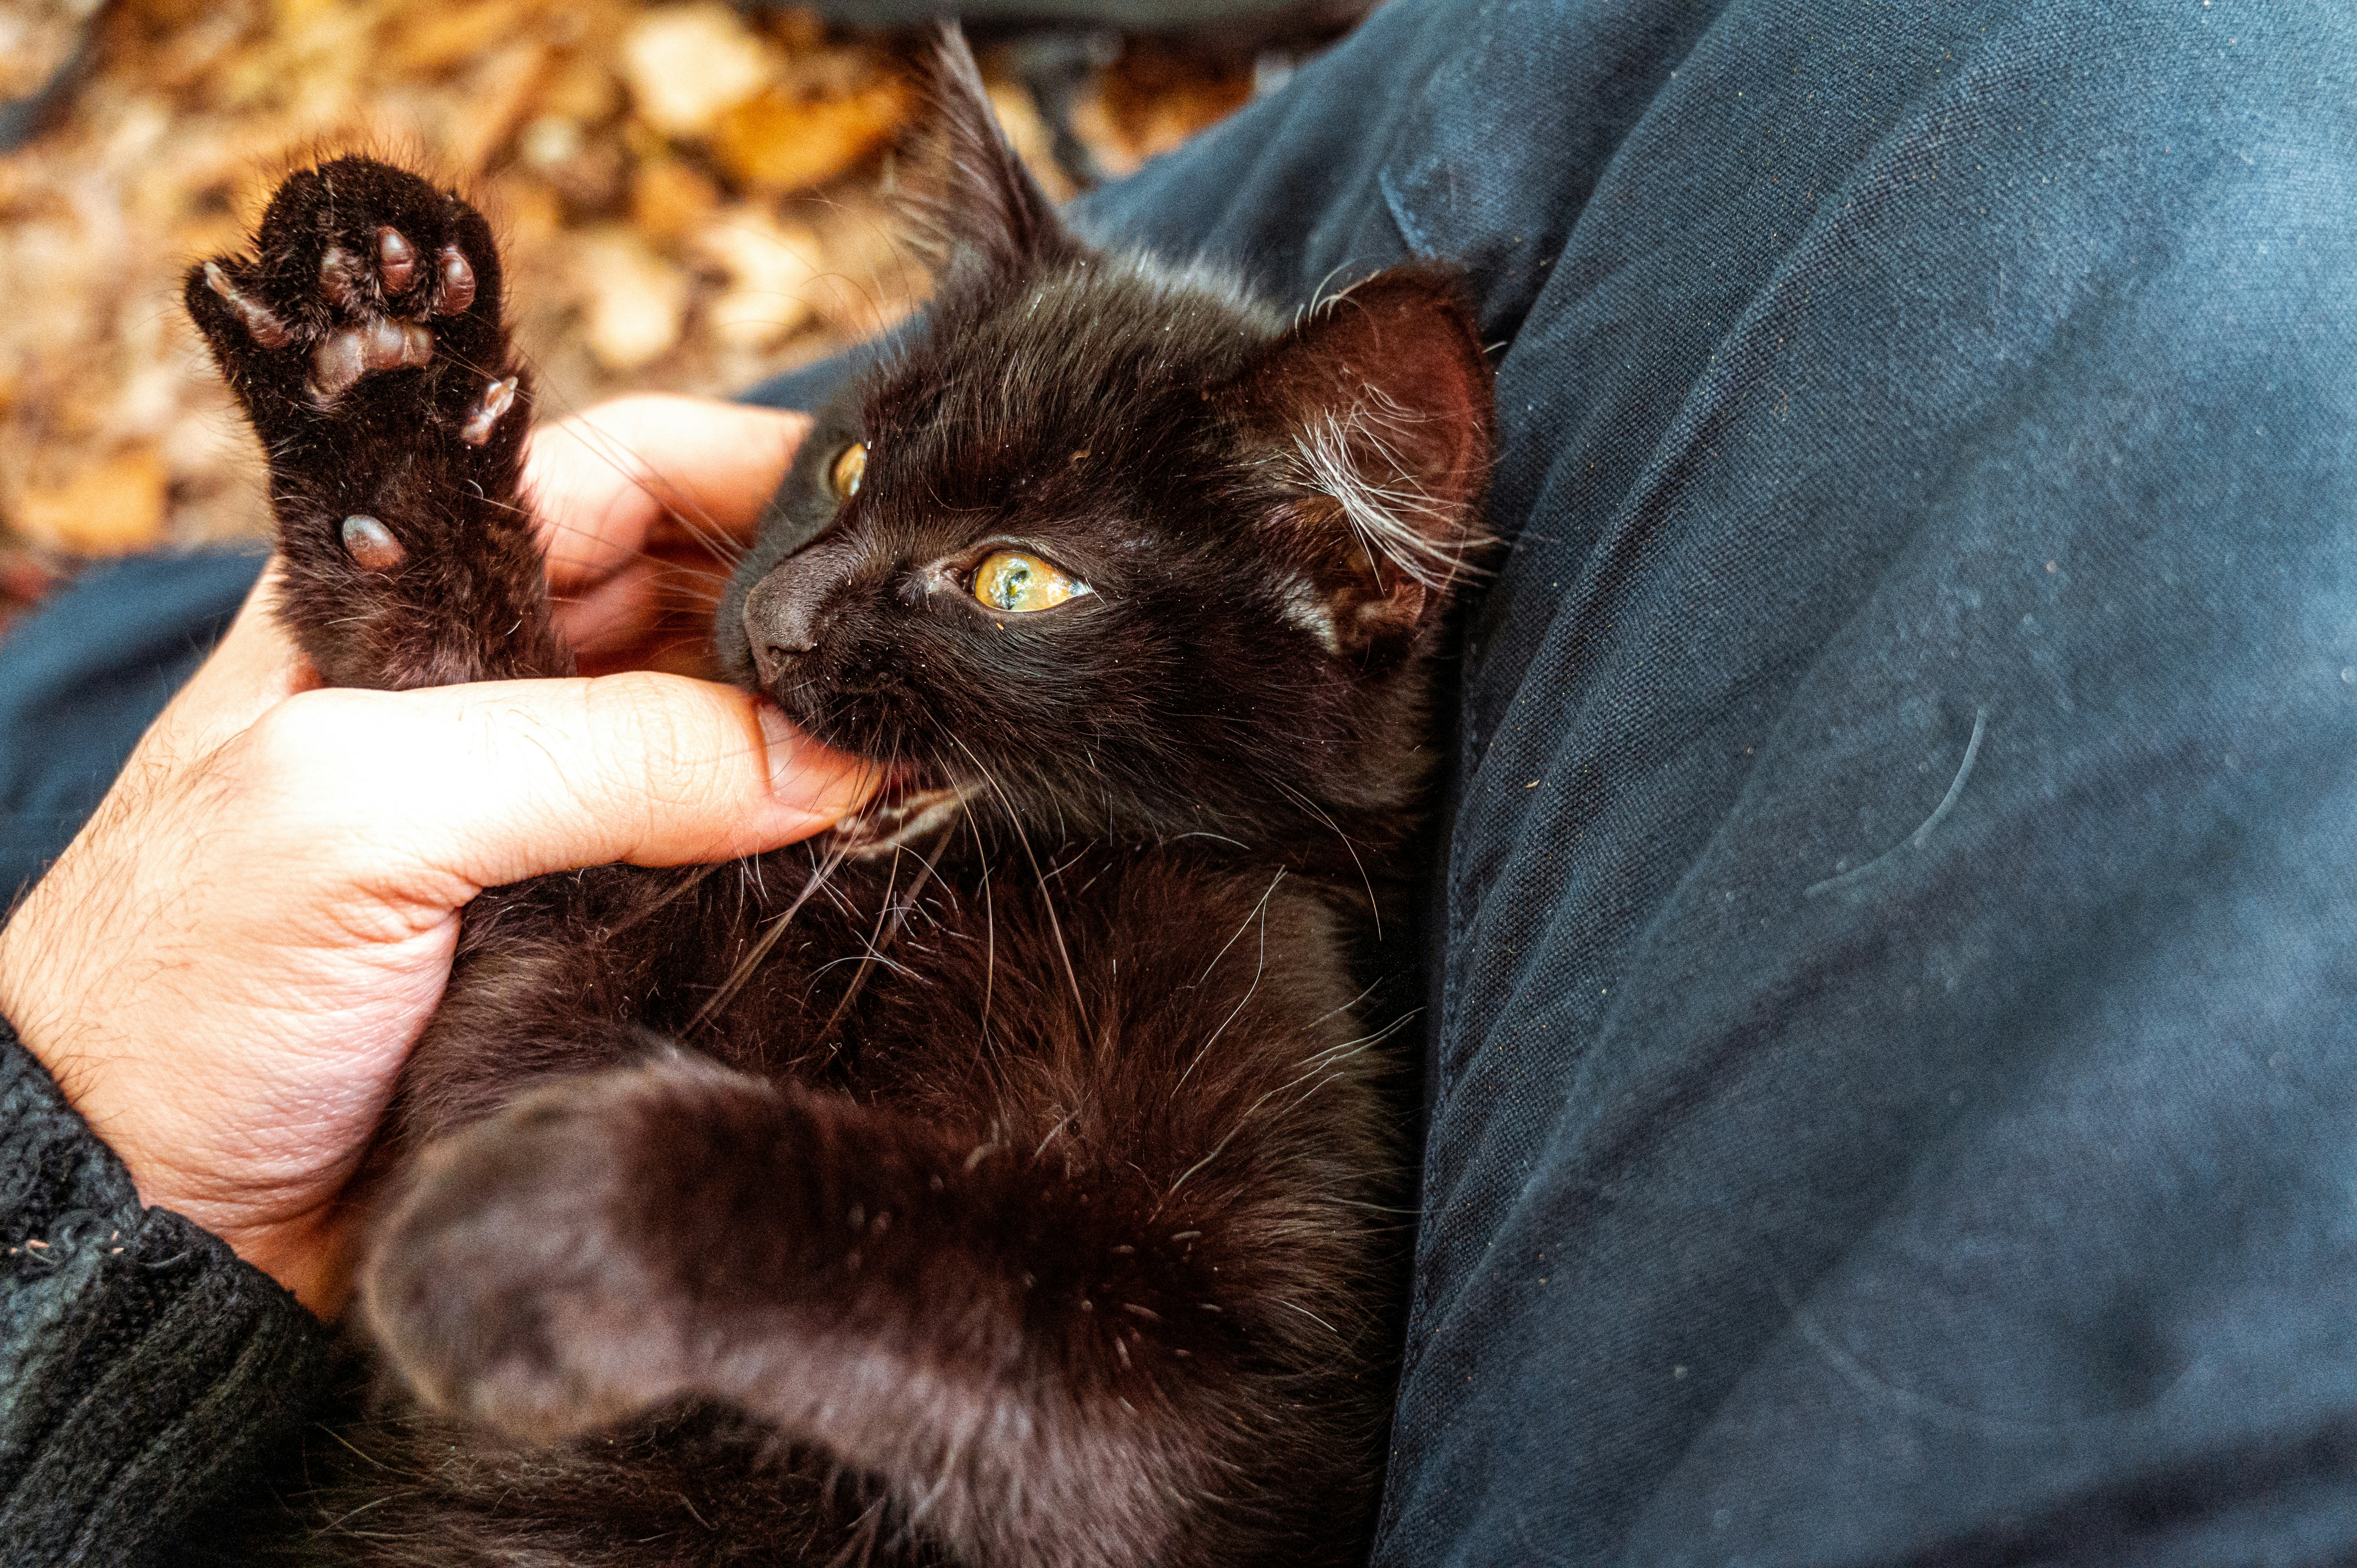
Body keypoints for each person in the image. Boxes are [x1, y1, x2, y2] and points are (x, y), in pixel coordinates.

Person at [5, 0, 2356, 1562]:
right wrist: (418, 588)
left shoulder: (1216, 950)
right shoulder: (852, 803)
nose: (809, 605)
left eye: (1002, 583)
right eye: (848, 490)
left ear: (1330, 591)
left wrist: (731, 1219)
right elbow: (509, 1009)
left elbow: (1192, 1438)